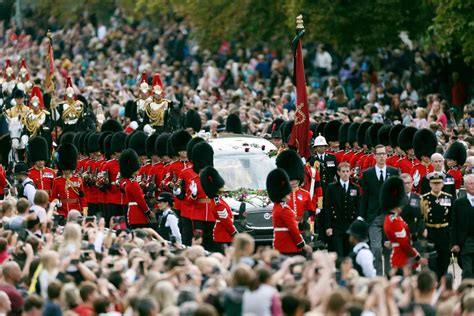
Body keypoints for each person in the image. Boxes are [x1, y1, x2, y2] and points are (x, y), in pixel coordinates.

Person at [360, 144, 400, 275]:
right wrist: (362, 218)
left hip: (389, 216)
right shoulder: (367, 174)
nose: (382, 157)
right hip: (374, 217)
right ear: (374, 156)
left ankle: (389, 277)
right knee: (376, 248)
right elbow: (364, 197)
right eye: (379, 154)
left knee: (389, 249)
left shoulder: (394, 172)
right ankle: (377, 276)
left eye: (384, 154)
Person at [382, 177, 427, 273]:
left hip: (405, 252)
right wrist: (417, 257)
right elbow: (404, 244)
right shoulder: (395, 220)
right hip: (402, 259)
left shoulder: (393, 218)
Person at [266, 168, 309, 255]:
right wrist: (303, 245)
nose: (289, 195)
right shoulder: (284, 209)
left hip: (280, 246)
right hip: (289, 247)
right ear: (283, 194)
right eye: (287, 193)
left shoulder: (277, 207)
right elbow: (293, 230)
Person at [421, 172, 454, 280]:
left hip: (444, 232)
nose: (436, 185)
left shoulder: (448, 198)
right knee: (432, 262)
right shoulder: (424, 199)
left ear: (442, 184)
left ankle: (442, 283)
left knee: (444, 260)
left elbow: (452, 218)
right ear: (430, 184)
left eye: (438, 183)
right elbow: (421, 217)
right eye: (434, 183)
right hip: (430, 232)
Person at [324, 162, 360, 259]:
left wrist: (356, 226)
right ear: (338, 172)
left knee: (349, 254)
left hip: (350, 225)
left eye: (347, 171)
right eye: (343, 171)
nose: (345, 174)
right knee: (338, 254)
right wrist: (328, 226)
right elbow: (326, 207)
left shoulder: (355, 188)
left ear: (351, 172)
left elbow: (358, 208)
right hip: (336, 225)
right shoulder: (331, 187)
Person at [200, 166, 238, 252]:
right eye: (222, 185)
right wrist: (234, 233)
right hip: (224, 235)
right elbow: (225, 220)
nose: (223, 186)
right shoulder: (218, 204)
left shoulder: (217, 200)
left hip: (223, 235)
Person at [119, 149, 154, 229]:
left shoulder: (129, 181)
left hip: (133, 214)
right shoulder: (133, 183)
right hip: (138, 215)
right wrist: (148, 212)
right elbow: (140, 200)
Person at [51, 143, 87, 217]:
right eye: (64, 169)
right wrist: (56, 203)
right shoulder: (57, 181)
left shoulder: (78, 180)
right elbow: (53, 196)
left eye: (67, 169)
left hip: (75, 210)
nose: (66, 171)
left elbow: (82, 196)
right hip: (62, 211)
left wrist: (84, 209)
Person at [451, 174, 474, 279]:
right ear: (465, 186)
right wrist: (454, 243)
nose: (473, 185)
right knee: (467, 271)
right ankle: (466, 291)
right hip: (465, 242)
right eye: (471, 183)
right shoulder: (458, 203)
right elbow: (454, 224)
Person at [399, 174, 425, 247]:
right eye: (404, 183)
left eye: (408, 183)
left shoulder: (418, 198)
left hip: (415, 233)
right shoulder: (395, 199)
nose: (406, 185)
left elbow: (421, 217)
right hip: (399, 233)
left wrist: (421, 230)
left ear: (412, 183)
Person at [411, 129, 437, 193]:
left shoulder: (435, 167)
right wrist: (415, 185)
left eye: (428, 155)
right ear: (420, 154)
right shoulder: (415, 168)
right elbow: (411, 190)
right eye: (425, 155)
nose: (427, 157)